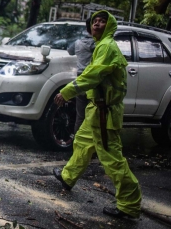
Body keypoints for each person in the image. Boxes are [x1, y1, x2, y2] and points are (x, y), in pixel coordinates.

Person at [53, 11, 142, 219]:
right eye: (95, 21)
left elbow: (92, 76)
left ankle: (129, 204)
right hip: (96, 109)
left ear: (109, 25)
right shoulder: (100, 45)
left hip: (105, 113)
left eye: (102, 21)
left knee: (112, 159)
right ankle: (67, 176)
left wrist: (67, 92)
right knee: (82, 143)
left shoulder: (107, 47)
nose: (97, 24)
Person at [67, 18, 95, 133]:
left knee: (80, 115)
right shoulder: (98, 44)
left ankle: (76, 143)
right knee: (93, 115)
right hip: (92, 80)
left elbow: (70, 50)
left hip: (79, 79)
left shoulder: (78, 42)